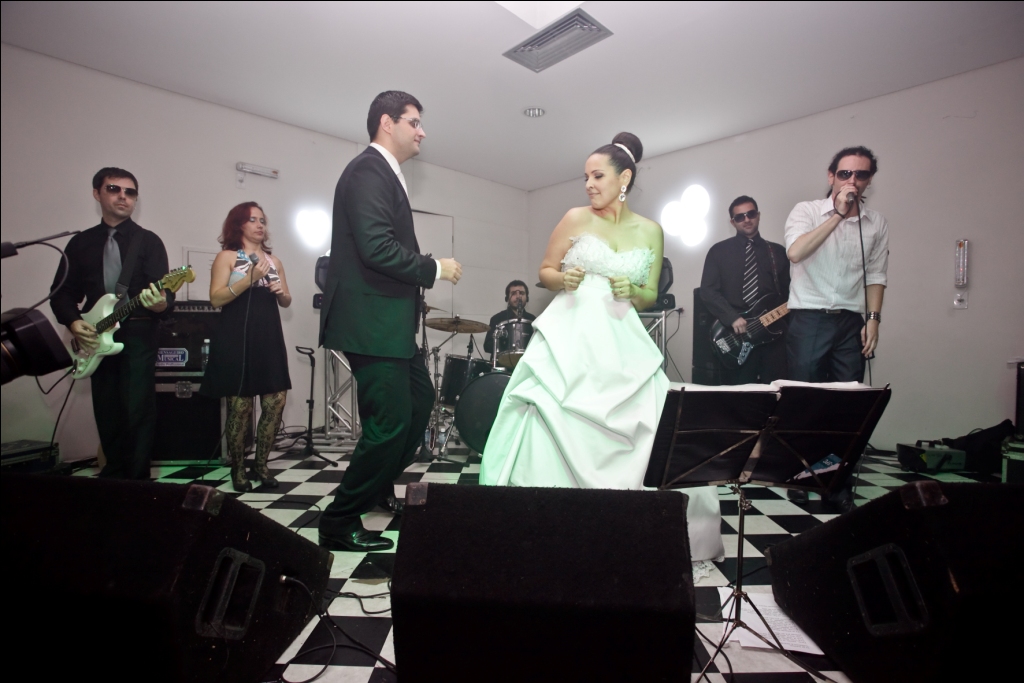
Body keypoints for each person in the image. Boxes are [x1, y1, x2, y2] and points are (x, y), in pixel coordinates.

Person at [479, 133, 724, 572]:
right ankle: (544, 528)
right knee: (550, 407)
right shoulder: (574, 218)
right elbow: (545, 270)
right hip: (570, 331)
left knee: (648, 416)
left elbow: (649, 295)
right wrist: (562, 280)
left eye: (597, 176)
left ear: (624, 178)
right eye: (586, 177)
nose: (589, 185)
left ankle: (637, 531)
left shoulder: (650, 230)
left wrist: (634, 290)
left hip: (620, 336)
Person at [318, 91, 462, 552]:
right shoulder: (368, 171)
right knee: (389, 424)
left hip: (389, 326)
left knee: (420, 404)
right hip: (372, 323)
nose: (422, 132)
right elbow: (376, 248)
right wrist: (434, 267)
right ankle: (338, 520)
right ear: (387, 122)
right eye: (414, 122)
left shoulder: (383, 173)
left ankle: (377, 486)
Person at [784, 146, 889, 511]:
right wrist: (839, 215)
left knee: (848, 403)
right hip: (809, 316)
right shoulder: (807, 211)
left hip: (849, 320)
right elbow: (796, 252)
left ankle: (835, 480)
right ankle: (798, 474)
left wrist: (873, 320)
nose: (852, 181)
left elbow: (876, 275)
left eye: (860, 175)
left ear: (869, 180)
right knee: (804, 402)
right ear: (831, 176)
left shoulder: (876, 224)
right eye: (845, 174)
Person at [50, 167, 173, 479]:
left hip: (139, 333)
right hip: (97, 336)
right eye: (114, 189)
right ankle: (114, 477)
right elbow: (62, 294)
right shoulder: (80, 243)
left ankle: (138, 481)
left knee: (138, 410)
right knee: (106, 410)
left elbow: (165, 294)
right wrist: (74, 323)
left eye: (130, 192)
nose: (123, 196)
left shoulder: (148, 241)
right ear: (97, 193)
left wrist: (161, 302)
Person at [202, 202, 292, 492]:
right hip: (236, 338)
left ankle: (261, 465)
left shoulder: (274, 261)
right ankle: (238, 468)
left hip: (268, 338)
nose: (259, 225)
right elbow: (216, 299)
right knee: (239, 408)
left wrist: (281, 293)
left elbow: (287, 301)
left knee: (275, 402)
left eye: (262, 220)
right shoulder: (227, 257)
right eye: (252, 219)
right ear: (238, 224)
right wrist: (249, 279)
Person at [699, 196, 790, 384]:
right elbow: (707, 291)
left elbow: (788, 292)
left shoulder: (777, 252)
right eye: (740, 217)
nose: (747, 219)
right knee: (740, 393)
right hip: (736, 335)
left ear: (758, 215)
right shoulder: (718, 251)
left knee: (774, 389)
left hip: (773, 335)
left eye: (751, 214)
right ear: (732, 222)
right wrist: (731, 317)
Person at [483, 280, 536, 359]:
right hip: (502, 363)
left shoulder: (533, 320)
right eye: (513, 293)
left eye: (521, 293)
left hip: (525, 363)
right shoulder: (497, 318)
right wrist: (505, 341)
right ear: (507, 298)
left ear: (527, 298)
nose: (518, 296)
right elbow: (487, 346)